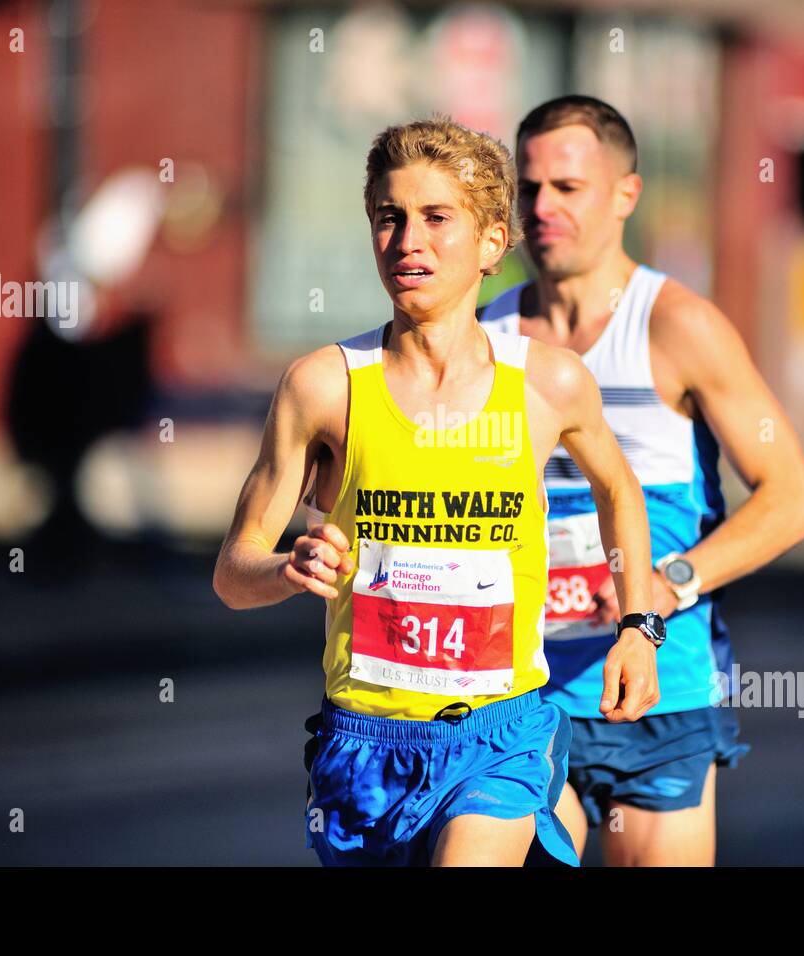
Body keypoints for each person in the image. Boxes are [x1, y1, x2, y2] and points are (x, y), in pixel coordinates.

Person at [213, 116, 663, 867]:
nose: (407, 242)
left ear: (492, 242)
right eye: (389, 218)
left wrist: (639, 626)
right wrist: (286, 568)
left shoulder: (548, 383)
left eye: (436, 218)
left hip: (499, 735)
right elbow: (233, 573)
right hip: (364, 743)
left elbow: (619, 489)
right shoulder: (323, 387)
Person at [479, 95, 804, 866]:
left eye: (568, 187)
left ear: (625, 195)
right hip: (516, 698)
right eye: (529, 188)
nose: (542, 207)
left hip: (659, 688)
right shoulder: (486, 338)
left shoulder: (676, 325)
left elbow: (792, 496)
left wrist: (668, 583)